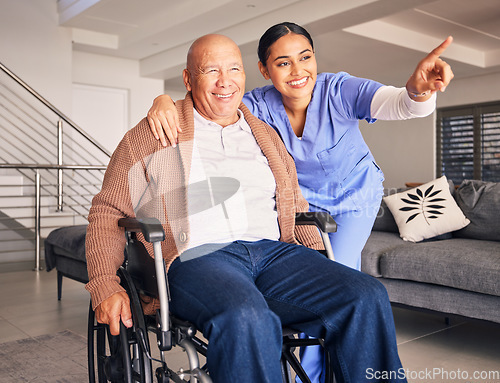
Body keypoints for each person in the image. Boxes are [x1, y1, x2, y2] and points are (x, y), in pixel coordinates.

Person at [86, 33, 408, 383]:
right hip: (199, 257)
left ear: (245, 75)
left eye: (234, 69)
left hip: (274, 254)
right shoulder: (155, 133)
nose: (225, 81)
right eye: (211, 70)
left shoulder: (265, 135)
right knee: (246, 315)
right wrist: (105, 282)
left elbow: (293, 203)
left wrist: (316, 259)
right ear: (188, 79)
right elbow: (108, 210)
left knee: (365, 295)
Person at [147, 23, 453, 382]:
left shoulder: (339, 90)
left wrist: (418, 92)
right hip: (301, 203)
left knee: (344, 281)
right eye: (283, 62)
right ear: (264, 70)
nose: (297, 71)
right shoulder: (257, 105)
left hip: (354, 199)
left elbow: (399, 104)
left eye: (305, 58)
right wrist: (161, 100)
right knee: (307, 291)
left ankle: (317, 374)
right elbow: (210, 100)